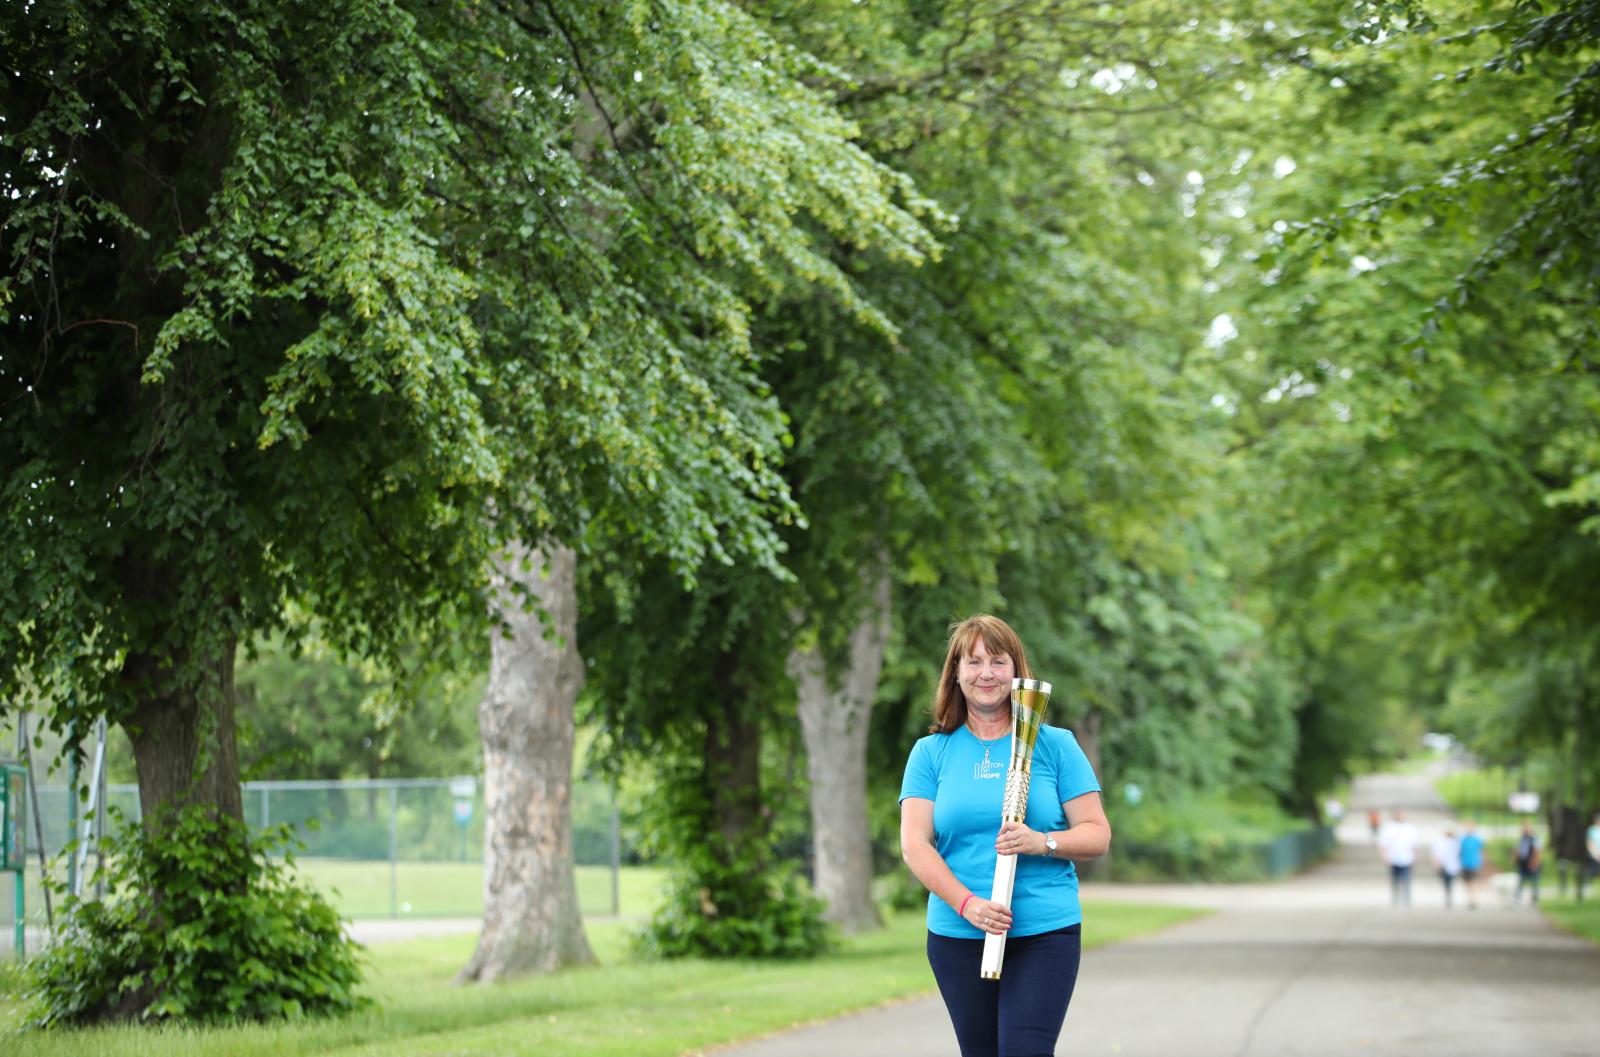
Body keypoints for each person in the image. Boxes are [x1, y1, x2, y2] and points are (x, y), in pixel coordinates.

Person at [900, 615, 1111, 1057]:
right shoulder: (930, 753)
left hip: (1043, 930)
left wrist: (1042, 841)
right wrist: (968, 904)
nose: (987, 673)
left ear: (1016, 671)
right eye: (974, 662)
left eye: (998, 661)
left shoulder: (1055, 745)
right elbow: (916, 845)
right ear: (956, 673)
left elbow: (1096, 835)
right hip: (958, 933)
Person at [1378, 809, 1418, 906]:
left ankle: (1407, 897)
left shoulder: (1410, 828)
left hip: (1406, 857)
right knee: (1394, 879)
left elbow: (1414, 844)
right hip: (1393, 857)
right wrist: (1384, 855)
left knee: (1407, 878)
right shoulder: (1389, 828)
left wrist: (1414, 856)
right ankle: (1395, 896)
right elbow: (1383, 843)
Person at [1430, 826, 1461, 909]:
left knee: (1450, 882)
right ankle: (1448, 896)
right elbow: (1437, 854)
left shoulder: (1455, 842)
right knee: (1446, 882)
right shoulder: (1440, 842)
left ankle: (1449, 896)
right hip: (1444, 865)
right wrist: (1437, 863)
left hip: (1452, 865)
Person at [1513, 820, 1543, 906]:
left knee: (1534, 882)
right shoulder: (1522, 839)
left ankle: (1535, 899)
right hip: (1523, 863)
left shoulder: (1534, 839)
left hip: (1532, 863)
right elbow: (1518, 851)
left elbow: (1538, 852)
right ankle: (1518, 898)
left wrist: (1535, 862)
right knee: (1521, 881)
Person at [1458, 820, 1486, 910]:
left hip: (1474, 863)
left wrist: (1481, 861)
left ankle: (1474, 899)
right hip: (1465, 863)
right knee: (1467, 882)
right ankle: (1470, 898)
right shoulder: (1463, 839)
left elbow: (1481, 851)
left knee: (1473, 881)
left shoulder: (1477, 839)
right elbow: (1460, 851)